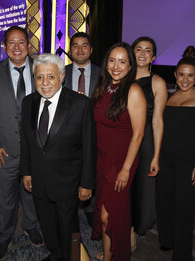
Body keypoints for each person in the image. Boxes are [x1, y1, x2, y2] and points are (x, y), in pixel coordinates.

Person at [21, 53, 97, 261]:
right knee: (47, 223)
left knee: (68, 226)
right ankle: (56, 253)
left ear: (62, 77)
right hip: (38, 179)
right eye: (39, 77)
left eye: (51, 77)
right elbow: (27, 142)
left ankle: (71, 257)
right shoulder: (28, 102)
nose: (45, 83)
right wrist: (26, 172)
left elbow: (89, 146)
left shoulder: (80, 104)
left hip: (68, 181)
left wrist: (87, 183)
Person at [0, 25, 42, 260]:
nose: (17, 47)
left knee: (32, 193)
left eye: (21, 42)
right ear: (5, 47)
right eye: (11, 43)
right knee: (5, 197)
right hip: (3, 150)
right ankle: (4, 236)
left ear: (28, 45)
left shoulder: (42, 69)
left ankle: (31, 225)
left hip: (35, 149)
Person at [156, 46, 195, 260]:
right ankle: (167, 241)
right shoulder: (168, 99)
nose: (184, 79)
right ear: (175, 75)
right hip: (165, 159)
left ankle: (182, 255)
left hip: (189, 162)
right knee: (164, 204)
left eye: (190, 76)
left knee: (184, 210)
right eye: (181, 75)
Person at [90, 42, 147, 261]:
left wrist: (125, 169)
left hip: (121, 162)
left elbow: (139, 134)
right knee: (106, 212)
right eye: (112, 60)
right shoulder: (102, 87)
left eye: (122, 61)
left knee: (109, 215)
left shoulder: (133, 91)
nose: (116, 66)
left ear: (130, 66)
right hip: (102, 159)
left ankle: (114, 255)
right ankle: (107, 253)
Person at [130, 36, 167, 250]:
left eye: (147, 50)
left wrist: (156, 155)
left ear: (153, 56)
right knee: (120, 188)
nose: (142, 53)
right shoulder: (121, 76)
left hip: (145, 142)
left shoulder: (157, 82)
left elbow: (158, 120)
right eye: (138, 49)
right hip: (122, 139)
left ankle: (134, 232)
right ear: (132, 52)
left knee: (141, 190)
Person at [65, 32, 100, 227]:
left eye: (84, 45)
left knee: (93, 171)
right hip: (68, 134)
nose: (79, 49)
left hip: (96, 132)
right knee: (70, 173)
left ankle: (90, 209)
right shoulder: (60, 72)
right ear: (70, 51)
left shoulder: (103, 73)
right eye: (75, 46)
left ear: (91, 50)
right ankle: (69, 208)